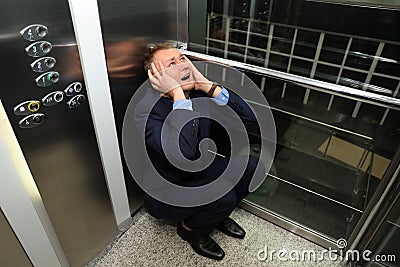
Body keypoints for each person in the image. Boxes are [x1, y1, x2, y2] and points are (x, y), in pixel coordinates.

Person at [134, 42, 264, 260]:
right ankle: (191, 229)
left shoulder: (196, 93)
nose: (182, 65)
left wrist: (206, 85)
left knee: (253, 168)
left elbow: (249, 119)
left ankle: (214, 216)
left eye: (182, 59)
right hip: (169, 189)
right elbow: (182, 153)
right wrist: (177, 94)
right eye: (171, 63)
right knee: (224, 194)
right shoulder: (146, 110)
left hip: (200, 169)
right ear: (156, 76)